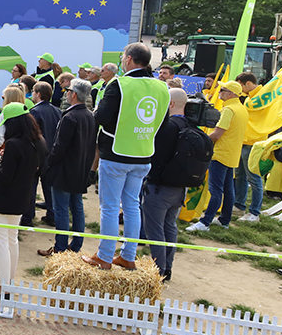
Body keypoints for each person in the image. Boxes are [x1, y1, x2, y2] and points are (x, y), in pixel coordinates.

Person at [84, 43, 169, 270]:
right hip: (143, 154)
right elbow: (163, 122)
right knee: (132, 205)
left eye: (123, 58)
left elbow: (101, 117)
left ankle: (104, 256)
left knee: (110, 207)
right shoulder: (162, 87)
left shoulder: (119, 84)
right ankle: (128, 255)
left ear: (129, 59)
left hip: (116, 153)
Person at [0, 102, 47, 297]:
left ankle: (3, 287)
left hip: (2, 199)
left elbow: (5, 176)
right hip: (22, 197)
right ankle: (8, 281)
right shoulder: (39, 142)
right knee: (12, 240)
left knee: (1, 243)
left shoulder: (14, 144)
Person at [38, 79, 96, 256]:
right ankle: (76, 245)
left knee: (62, 208)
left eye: (68, 90)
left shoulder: (70, 117)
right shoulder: (89, 115)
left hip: (65, 170)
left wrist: (48, 164)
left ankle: (60, 247)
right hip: (80, 168)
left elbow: (59, 146)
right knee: (76, 207)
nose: (66, 93)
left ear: (74, 94)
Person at [186, 80, 249, 233]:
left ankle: (205, 222)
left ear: (230, 93)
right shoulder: (241, 108)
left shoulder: (229, 110)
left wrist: (202, 142)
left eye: (222, 89)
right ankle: (224, 220)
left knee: (216, 190)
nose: (219, 91)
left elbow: (217, 134)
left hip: (220, 154)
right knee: (228, 189)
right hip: (232, 154)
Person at [142, 88, 190, 280]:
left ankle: (158, 269)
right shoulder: (191, 125)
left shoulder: (167, 127)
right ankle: (167, 267)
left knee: (155, 230)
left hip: (160, 186)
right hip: (180, 188)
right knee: (170, 227)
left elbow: (154, 153)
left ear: (170, 104)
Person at [28, 82, 61, 227]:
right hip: (52, 153)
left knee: (31, 185)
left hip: (37, 154)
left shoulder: (34, 112)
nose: (32, 95)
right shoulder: (57, 111)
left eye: (34, 92)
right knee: (49, 186)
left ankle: (28, 215)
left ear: (38, 94)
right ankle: (52, 214)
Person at [234, 72, 263, 222]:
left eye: (240, 85)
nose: (240, 89)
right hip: (244, 140)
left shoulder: (263, 96)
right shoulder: (250, 98)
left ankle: (255, 212)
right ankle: (239, 205)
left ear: (248, 84)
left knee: (254, 178)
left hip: (254, 142)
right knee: (240, 175)